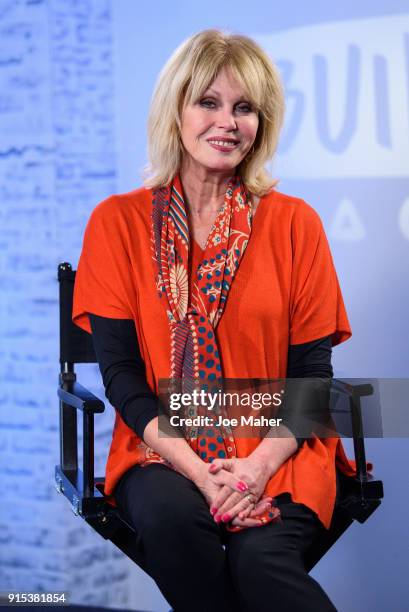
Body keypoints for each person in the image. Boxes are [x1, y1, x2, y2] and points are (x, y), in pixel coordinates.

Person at [72, 29, 365, 612]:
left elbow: (312, 374)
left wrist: (255, 468)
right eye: (208, 102)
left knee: (261, 565)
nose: (227, 121)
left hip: (278, 447)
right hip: (162, 450)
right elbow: (123, 377)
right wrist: (202, 474)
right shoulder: (116, 223)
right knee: (175, 524)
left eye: (245, 107)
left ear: (263, 123)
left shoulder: (294, 224)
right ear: (175, 109)